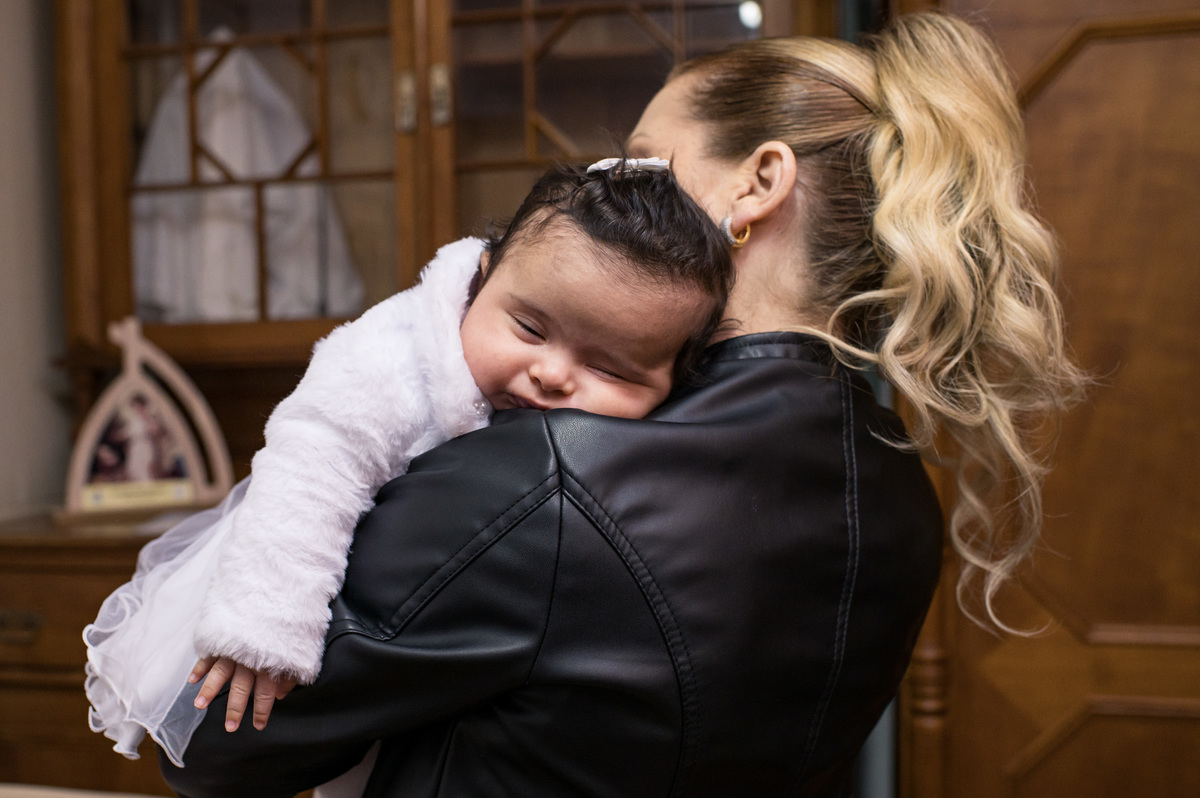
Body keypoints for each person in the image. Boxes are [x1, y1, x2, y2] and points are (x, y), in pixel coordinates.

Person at [160, 12, 1083, 797]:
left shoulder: (550, 476)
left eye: (643, 162)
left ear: (758, 184)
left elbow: (205, 746)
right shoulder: (898, 494)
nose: (608, 185)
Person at [84, 158, 732, 769]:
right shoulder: (389, 359)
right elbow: (309, 471)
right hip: (287, 567)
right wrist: (263, 630)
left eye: (608, 367)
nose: (552, 375)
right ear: (483, 279)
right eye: (530, 330)